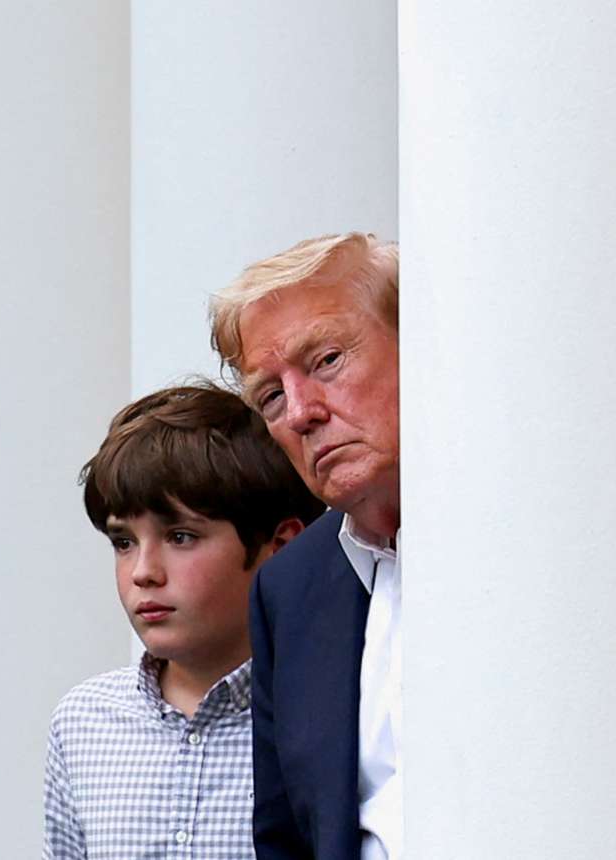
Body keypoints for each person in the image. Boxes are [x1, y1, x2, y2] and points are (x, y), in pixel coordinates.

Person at [41, 384, 326, 859]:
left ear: (280, 548)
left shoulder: (328, 716)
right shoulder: (83, 722)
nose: (143, 572)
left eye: (180, 536)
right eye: (123, 542)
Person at [210, 232, 402, 860]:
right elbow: (284, 838)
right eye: (271, 395)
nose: (299, 413)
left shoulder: (532, 537)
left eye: (326, 361)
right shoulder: (290, 587)